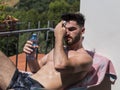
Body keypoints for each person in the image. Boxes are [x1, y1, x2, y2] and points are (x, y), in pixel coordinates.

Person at [0, 13, 93, 90]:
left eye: (72, 29)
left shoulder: (85, 58)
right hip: (24, 79)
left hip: (37, 88)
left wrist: (58, 37)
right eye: (65, 29)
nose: (66, 33)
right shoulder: (58, 50)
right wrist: (31, 56)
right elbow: (35, 69)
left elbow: (60, 65)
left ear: (82, 31)